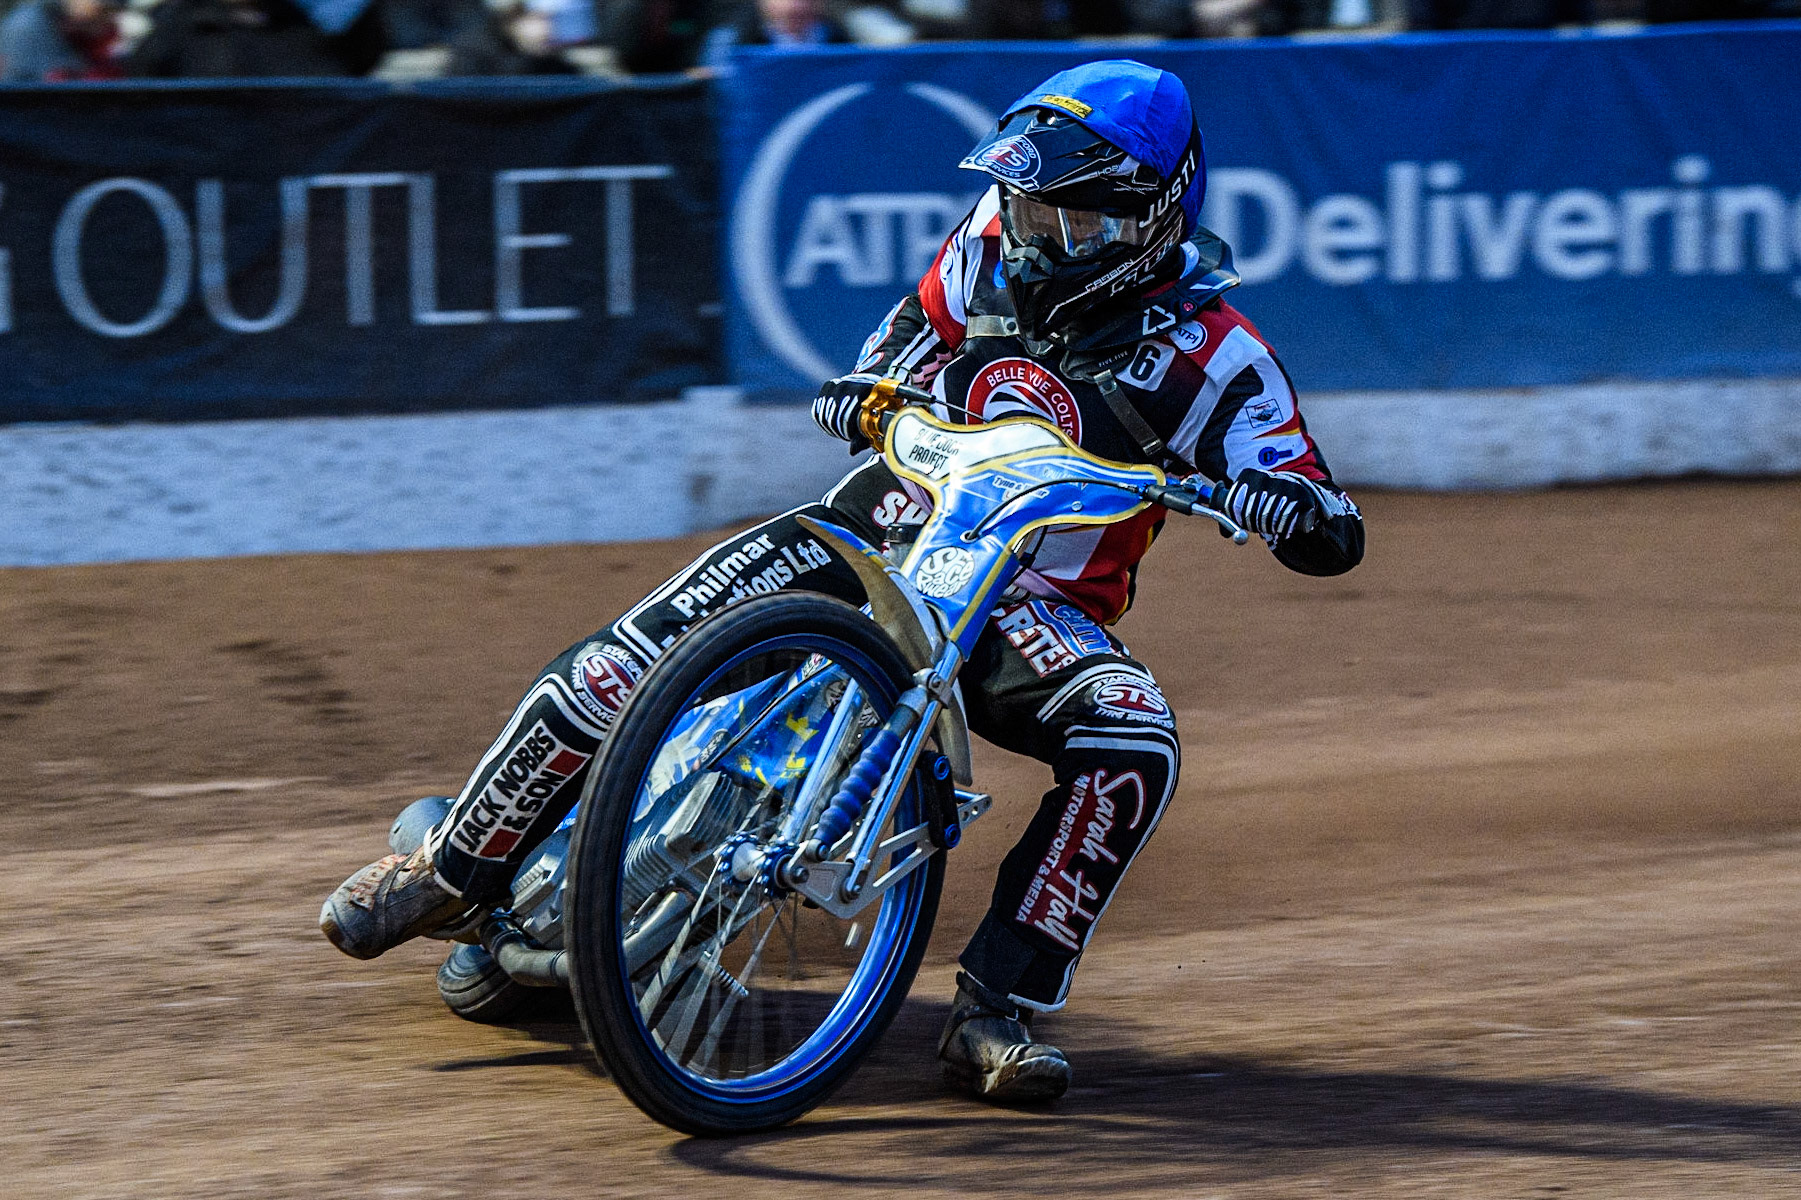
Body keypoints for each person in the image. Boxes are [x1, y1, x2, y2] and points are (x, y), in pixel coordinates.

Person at [320, 59, 1365, 1103]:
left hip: (1030, 603)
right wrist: (871, 390)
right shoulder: (988, 241)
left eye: (1072, 221)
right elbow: (905, 337)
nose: (1038, 237)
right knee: (626, 659)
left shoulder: (1221, 358)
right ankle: (446, 869)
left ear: (1150, 219)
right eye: (1027, 209)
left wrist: (1293, 509)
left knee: (1132, 741)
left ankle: (996, 1004)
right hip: (876, 525)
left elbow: (1324, 510)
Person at [0, 0, 124, 81]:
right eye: (103, 10)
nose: (109, 19)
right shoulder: (25, 27)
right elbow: (20, 86)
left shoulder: (82, 31)